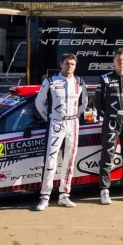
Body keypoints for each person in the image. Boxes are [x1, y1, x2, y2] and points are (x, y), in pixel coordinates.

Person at [34, 53, 88, 211]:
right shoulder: (50, 81)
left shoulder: (80, 82)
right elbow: (39, 102)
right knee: (51, 160)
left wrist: (75, 116)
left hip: (73, 124)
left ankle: (64, 195)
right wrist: (50, 118)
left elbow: (84, 103)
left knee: (70, 159)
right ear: (61, 64)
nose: (69, 66)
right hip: (56, 123)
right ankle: (45, 196)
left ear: (75, 66)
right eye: (67, 63)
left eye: (72, 64)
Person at [94, 49, 123, 205]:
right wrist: (108, 115)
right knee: (107, 155)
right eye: (118, 59)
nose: (121, 62)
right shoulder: (105, 78)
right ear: (113, 62)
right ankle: (104, 190)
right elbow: (98, 103)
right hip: (111, 121)